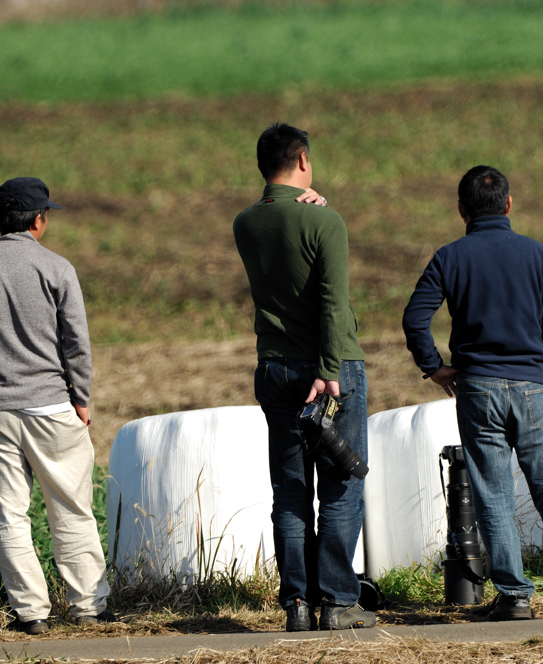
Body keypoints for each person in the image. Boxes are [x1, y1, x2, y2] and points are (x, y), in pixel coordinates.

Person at [401, 165, 543, 620]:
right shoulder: (539, 257)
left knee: (492, 495)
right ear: (509, 205)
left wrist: (434, 368)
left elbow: (415, 318)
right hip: (535, 388)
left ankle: (515, 597)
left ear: (461, 210)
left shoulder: (448, 257)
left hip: (477, 389)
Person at [0, 177, 115, 634]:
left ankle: (32, 614)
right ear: (38, 219)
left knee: (7, 516)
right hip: (52, 409)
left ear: (1, 218)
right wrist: (79, 398)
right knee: (71, 509)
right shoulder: (57, 268)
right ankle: (89, 607)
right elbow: (76, 344)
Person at [233, 123, 374, 631]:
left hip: (274, 369)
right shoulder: (326, 223)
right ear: (304, 160)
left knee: (290, 490)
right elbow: (333, 303)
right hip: (329, 369)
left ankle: (296, 605)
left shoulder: (245, 223)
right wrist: (330, 371)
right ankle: (337, 601)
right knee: (340, 484)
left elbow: (285, 236)